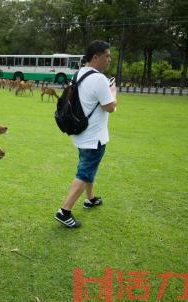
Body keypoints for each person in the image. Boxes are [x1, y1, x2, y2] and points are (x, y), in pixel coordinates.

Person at [55, 40, 117, 228]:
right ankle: (64, 211)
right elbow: (110, 107)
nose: (109, 60)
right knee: (85, 172)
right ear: (95, 57)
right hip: (94, 138)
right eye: (107, 56)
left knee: (88, 168)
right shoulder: (99, 79)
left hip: (81, 134)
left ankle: (90, 199)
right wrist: (113, 91)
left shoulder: (79, 73)